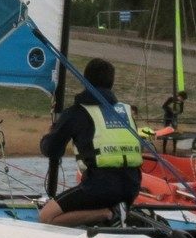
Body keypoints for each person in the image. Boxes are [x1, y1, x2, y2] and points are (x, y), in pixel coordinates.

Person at [39, 58, 142, 227]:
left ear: (84, 80)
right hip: (132, 186)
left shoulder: (76, 112)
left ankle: (108, 214)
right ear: (112, 82)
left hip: (99, 187)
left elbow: (52, 150)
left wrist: (48, 136)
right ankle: (115, 211)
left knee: (46, 217)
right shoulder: (125, 111)